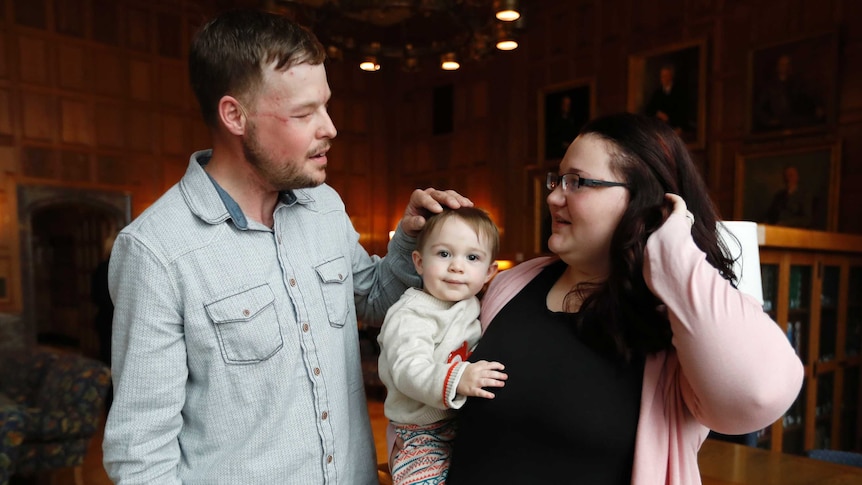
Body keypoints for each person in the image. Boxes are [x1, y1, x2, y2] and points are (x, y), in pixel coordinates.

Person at [102, 8, 471, 484]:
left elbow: (374, 302)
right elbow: (140, 453)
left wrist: (411, 241)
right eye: (304, 113)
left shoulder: (323, 206)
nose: (331, 127)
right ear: (235, 114)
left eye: (326, 104)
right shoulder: (155, 251)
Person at [445, 112, 804, 484]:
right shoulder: (512, 286)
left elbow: (759, 396)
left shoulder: (673, 318)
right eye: (558, 180)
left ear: (643, 199)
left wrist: (673, 249)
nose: (553, 196)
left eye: (577, 182)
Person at [377, 207, 506, 485]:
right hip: (420, 431)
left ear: (489, 272)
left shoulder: (471, 305)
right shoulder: (411, 314)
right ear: (419, 262)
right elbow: (408, 370)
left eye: (472, 257)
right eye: (444, 254)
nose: (457, 266)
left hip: (459, 422)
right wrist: (459, 378)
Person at [754, 54, 824, 132]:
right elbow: (760, 108)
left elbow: (806, 99)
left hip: (796, 123)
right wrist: (769, 120)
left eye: (787, 64)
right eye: (782, 64)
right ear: (778, 67)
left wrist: (816, 108)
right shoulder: (770, 87)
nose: (785, 67)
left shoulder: (797, 84)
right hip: (778, 126)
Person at [90, 231, 116, 368]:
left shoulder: (101, 267)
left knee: (108, 359)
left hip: (105, 318)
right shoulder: (109, 267)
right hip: (111, 319)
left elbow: (95, 296)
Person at [644, 64, 691, 136]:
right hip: (661, 128)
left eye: (666, 76)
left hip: (675, 127)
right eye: (662, 76)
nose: (663, 78)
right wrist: (658, 113)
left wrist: (670, 118)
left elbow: (683, 112)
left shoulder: (679, 91)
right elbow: (649, 109)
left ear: (671, 77)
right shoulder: (658, 93)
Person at [546, 94, 581, 159]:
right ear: (562, 105)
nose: (567, 107)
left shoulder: (572, 120)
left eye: (569, 105)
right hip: (558, 153)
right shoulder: (556, 121)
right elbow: (553, 137)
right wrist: (562, 144)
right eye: (566, 105)